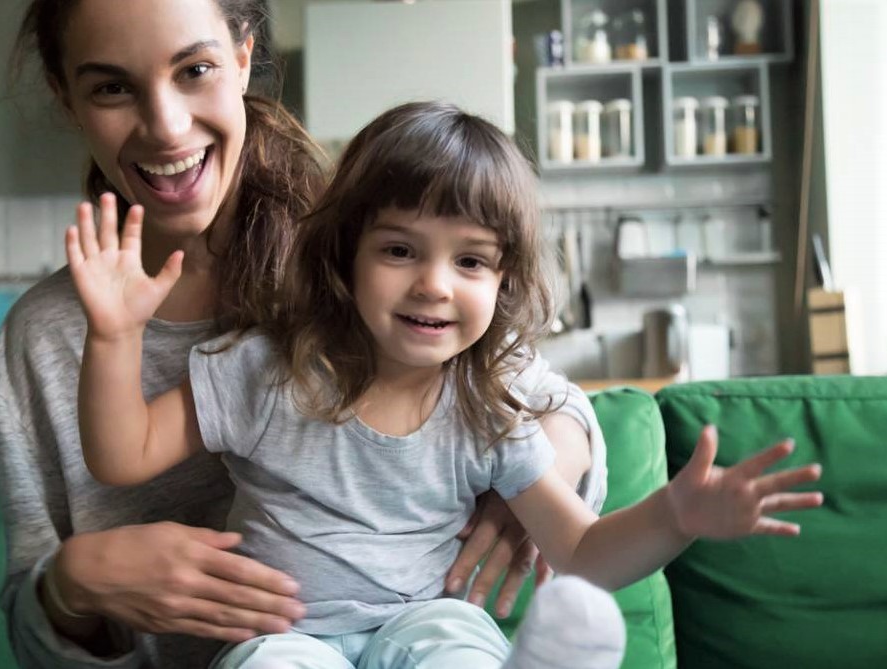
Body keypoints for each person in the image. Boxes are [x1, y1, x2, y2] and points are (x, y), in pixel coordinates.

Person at [66, 101, 824, 669]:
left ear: (503, 280)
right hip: (286, 637)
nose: (433, 283)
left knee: (456, 651)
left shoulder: (486, 406)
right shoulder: (267, 367)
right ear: (345, 257)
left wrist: (675, 513)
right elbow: (121, 453)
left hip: (426, 623)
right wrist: (113, 333)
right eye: (399, 249)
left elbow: (584, 551)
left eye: (470, 261)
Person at [0, 2, 608, 667]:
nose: (166, 127)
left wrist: (534, 465)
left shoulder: (361, 259)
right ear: (67, 96)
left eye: (194, 69)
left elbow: (536, 398)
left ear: (241, 56)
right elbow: (34, 638)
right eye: (111, 87)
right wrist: (75, 581)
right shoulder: (48, 333)